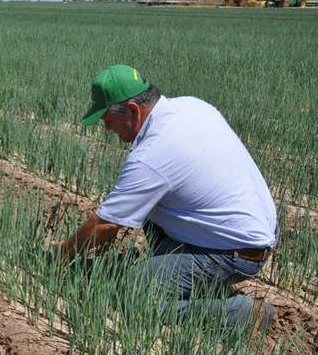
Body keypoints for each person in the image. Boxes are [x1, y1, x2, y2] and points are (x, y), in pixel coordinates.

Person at [52, 64, 277, 335]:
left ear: (133, 110)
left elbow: (106, 226)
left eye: (107, 120)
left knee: (136, 293)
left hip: (238, 251)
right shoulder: (192, 106)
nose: (106, 127)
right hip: (250, 230)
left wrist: (60, 255)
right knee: (146, 203)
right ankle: (186, 278)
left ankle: (241, 313)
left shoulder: (152, 155)